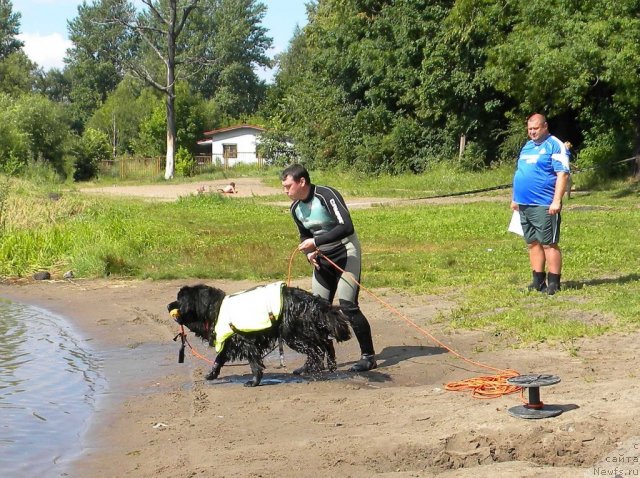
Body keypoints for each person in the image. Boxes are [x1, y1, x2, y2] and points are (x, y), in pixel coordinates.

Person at [281, 164, 377, 373]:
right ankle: (316, 359)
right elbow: (304, 235)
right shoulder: (295, 209)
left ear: (302, 182)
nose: (286, 191)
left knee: (347, 305)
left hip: (346, 253)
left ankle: (368, 357)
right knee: (314, 310)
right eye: (284, 188)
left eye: (288, 186)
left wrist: (315, 242)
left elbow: (346, 226)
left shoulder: (326, 195)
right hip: (322, 258)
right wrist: (309, 253)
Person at [511, 113, 570, 295]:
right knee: (532, 243)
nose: (532, 132)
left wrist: (556, 200)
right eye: (529, 129)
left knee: (548, 243)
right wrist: (515, 198)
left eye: (535, 128)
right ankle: (538, 280)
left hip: (544, 204)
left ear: (545, 126)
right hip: (524, 204)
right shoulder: (527, 146)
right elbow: (521, 171)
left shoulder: (555, 145)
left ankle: (554, 282)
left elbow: (563, 174)